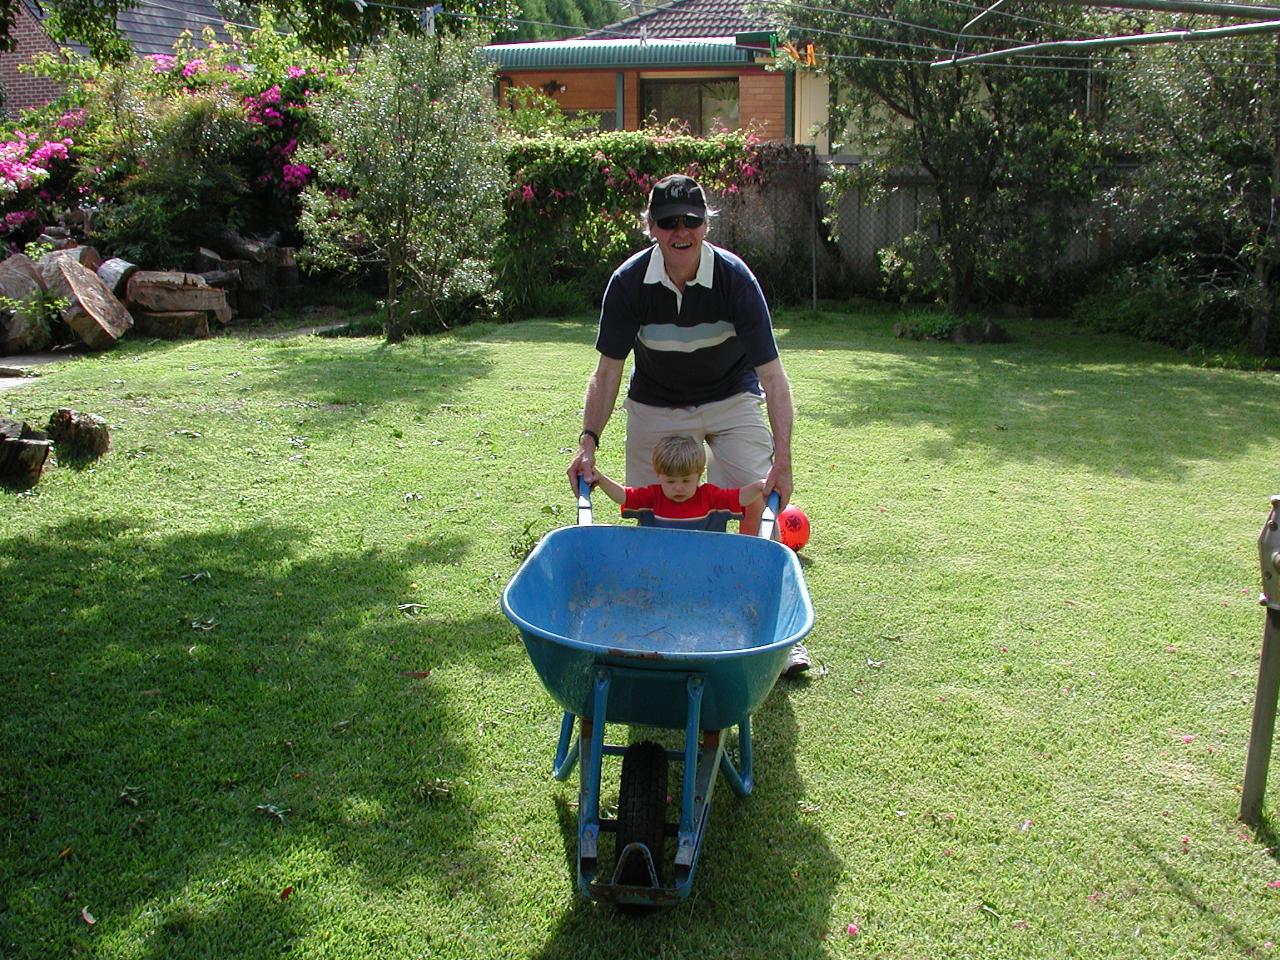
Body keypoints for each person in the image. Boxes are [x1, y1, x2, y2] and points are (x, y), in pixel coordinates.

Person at [565, 173, 810, 675]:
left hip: (730, 395)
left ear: (705, 224)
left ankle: (756, 627)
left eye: (692, 221)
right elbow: (607, 372)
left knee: (752, 493)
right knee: (654, 517)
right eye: (669, 221)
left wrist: (783, 461)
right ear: (651, 227)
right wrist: (588, 443)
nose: (682, 231)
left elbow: (775, 379)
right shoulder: (629, 283)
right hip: (657, 401)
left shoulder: (735, 279)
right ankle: (654, 625)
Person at [592, 434, 765, 531]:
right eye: (670, 481)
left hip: (703, 566)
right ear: (658, 475)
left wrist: (759, 486)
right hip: (661, 566)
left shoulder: (710, 497)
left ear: (699, 475)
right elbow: (624, 496)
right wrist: (600, 479)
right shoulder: (653, 497)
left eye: (686, 480)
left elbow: (740, 498)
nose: (678, 487)